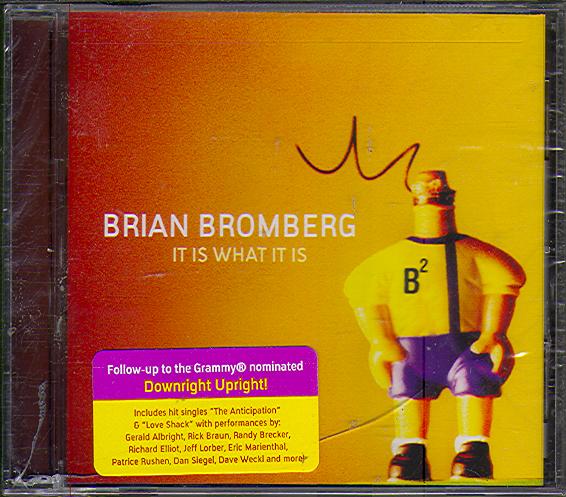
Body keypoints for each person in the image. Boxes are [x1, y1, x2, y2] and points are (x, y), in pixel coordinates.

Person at [344, 171, 525, 481]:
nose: (433, 201)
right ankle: (410, 450)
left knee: (475, 382)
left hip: (466, 346)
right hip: (411, 350)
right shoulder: (393, 259)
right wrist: (381, 340)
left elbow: (507, 277)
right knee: (408, 389)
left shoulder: (472, 252)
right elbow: (361, 290)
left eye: (438, 194)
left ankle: (474, 450)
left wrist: (493, 332)